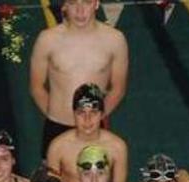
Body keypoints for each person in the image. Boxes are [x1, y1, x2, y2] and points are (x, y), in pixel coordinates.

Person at [29, 0, 128, 155]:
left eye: (86, 3)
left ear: (96, 3)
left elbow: (118, 89)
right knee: (53, 179)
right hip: (56, 126)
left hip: (95, 130)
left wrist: (95, 118)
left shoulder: (115, 40)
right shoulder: (47, 39)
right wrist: (54, 115)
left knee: (95, 179)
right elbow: (37, 87)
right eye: (73, 3)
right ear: (64, 5)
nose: (80, 11)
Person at [45, 84, 128, 182]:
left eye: (93, 112)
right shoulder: (58, 147)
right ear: (74, 114)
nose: (87, 119)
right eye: (81, 113)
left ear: (102, 114)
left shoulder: (117, 147)